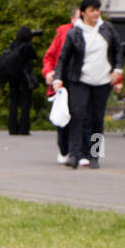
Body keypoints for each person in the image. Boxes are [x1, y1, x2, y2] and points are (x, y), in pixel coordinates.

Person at [54, 0, 124, 169]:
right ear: (83, 12)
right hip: (81, 80)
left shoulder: (107, 29)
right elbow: (63, 58)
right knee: (77, 116)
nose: (95, 13)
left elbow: (118, 49)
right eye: (92, 10)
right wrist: (58, 78)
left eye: (97, 10)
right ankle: (75, 155)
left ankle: (95, 155)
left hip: (102, 81)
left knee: (96, 119)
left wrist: (118, 70)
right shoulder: (74, 32)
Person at [43, 9, 80, 163]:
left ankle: (94, 154)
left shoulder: (103, 31)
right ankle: (67, 150)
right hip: (68, 80)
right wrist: (50, 73)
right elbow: (55, 57)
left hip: (94, 82)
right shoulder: (65, 33)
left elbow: (112, 54)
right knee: (66, 115)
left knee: (94, 119)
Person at [1, 26, 41, 135]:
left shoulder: (13, 45)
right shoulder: (27, 47)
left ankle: (13, 128)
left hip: (13, 77)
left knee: (13, 103)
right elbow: (34, 56)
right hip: (24, 77)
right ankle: (24, 128)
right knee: (25, 103)